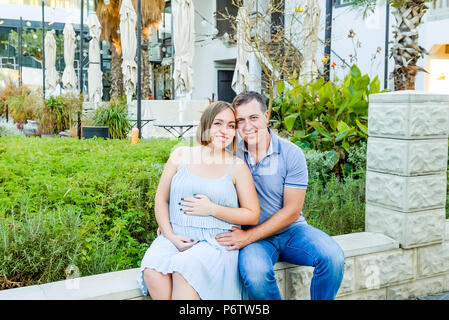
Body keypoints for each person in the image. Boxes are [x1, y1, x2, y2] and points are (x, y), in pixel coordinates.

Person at [185, 91, 345, 300]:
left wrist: (248, 237)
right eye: (240, 120)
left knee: (333, 258)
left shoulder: (291, 153)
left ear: (266, 116)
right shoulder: (230, 151)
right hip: (253, 239)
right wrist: (172, 220)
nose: (247, 126)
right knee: (256, 275)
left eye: (253, 118)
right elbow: (197, 175)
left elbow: (292, 211)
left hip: (291, 230)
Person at [136, 101, 260, 300]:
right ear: (206, 125)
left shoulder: (237, 167)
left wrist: (212, 209)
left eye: (231, 126)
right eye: (218, 123)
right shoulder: (181, 155)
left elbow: (252, 215)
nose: (224, 131)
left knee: (185, 268)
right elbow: (161, 199)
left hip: (214, 243)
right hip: (176, 236)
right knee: (152, 268)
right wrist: (169, 234)